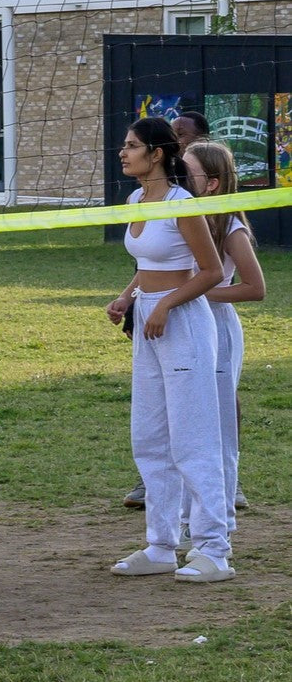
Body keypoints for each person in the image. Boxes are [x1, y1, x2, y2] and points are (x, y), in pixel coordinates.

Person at [105, 117, 230, 581]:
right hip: (149, 322)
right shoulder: (137, 199)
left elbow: (211, 270)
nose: (124, 152)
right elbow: (149, 262)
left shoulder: (183, 204)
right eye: (124, 144)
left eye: (132, 145)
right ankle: (161, 544)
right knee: (150, 436)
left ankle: (214, 549)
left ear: (157, 154)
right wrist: (128, 296)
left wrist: (167, 305)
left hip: (184, 324)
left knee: (192, 440)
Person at [184, 138, 264, 525]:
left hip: (216, 328)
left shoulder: (231, 227)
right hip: (184, 323)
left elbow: (255, 287)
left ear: (212, 183)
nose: (179, 177)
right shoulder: (180, 213)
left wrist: (196, 292)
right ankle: (187, 509)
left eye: (188, 171)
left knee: (217, 422)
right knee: (185, 418)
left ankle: (224, 504)